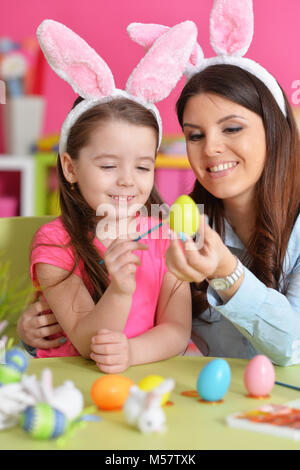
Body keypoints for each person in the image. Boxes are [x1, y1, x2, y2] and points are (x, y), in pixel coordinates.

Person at [16, 19, 198, 372]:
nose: (128, 182)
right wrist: (120, 290)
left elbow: (177, 330)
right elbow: (86, 341)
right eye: (109, 166)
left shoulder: (164, 236)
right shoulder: (55, 243)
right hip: (76, 385)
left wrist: (131, 353)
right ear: (70, 168)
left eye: (143, 167)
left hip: (150, 384)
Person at [165, 62, 300, 366]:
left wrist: (227, 272)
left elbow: (293, 346)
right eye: (195, 136)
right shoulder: (182, 226)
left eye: (232, 128)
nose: (211, 148)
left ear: (274, 128)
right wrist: (39, 327)